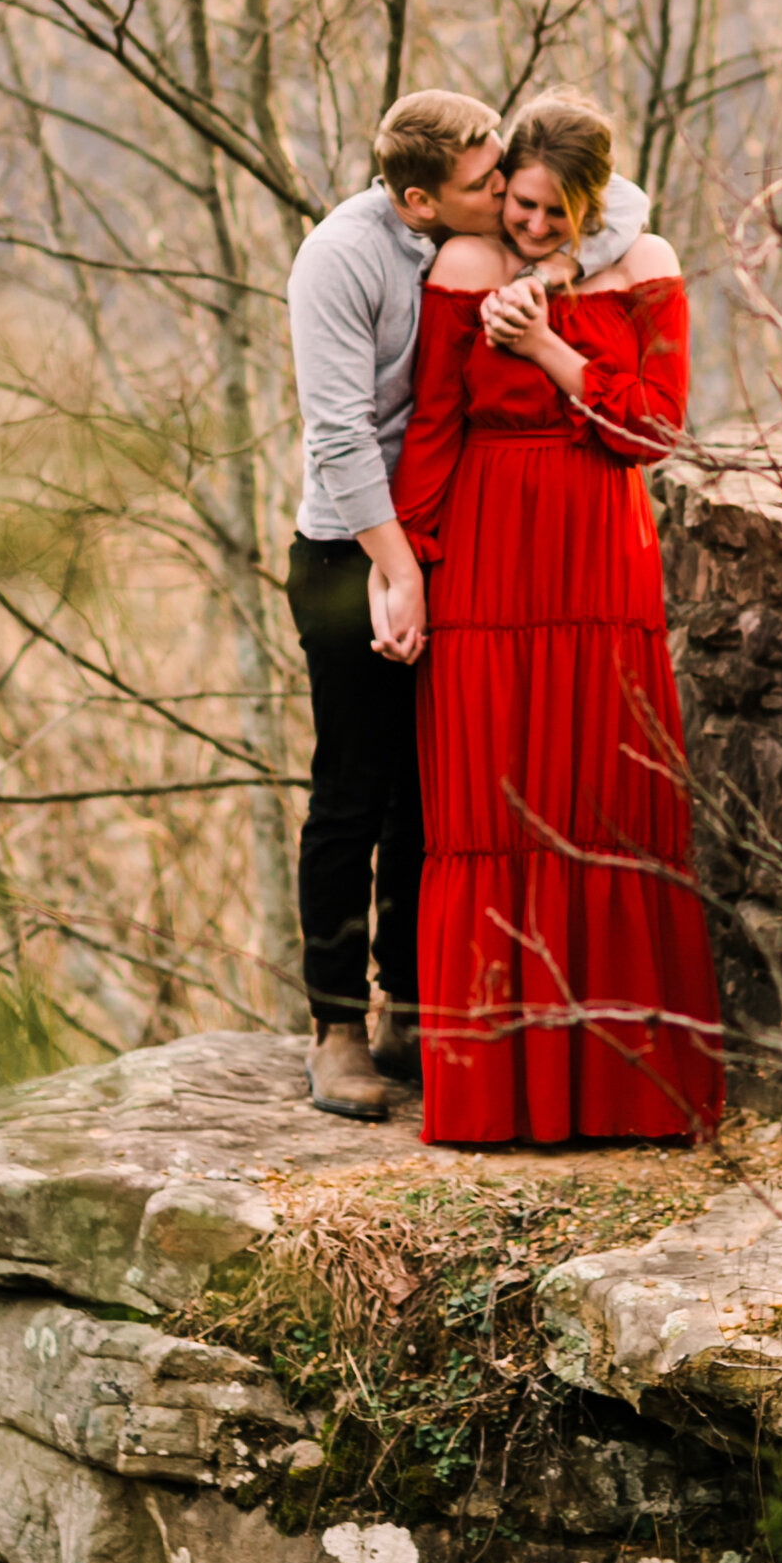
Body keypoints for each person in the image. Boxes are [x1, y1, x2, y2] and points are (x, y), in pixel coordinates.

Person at [285, 88, 654, 1119]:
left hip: (449, 538)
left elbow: (611, 197)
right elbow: (340, 437)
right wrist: (394, 569)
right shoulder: (340, 260)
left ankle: (412, 1002)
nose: (505, 196)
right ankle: (334, 1029)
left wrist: (563, 266)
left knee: (431, 790)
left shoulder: (493, 226)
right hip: (348, 549)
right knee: (352, 794)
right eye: (486, 185)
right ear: (418, 202)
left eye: (504, 173)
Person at [392, 91, 725, 1146]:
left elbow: (653, 430)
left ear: (593, 205)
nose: (528, 226)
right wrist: (405, 567)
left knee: (607, 796)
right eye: (517, 203)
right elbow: (434, 428)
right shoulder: (461, 267)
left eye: (551, 212)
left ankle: (627, 1091)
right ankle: (496, 1095)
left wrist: (546, 348)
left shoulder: (645, 268)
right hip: (489, 560)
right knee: (489, 808)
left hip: (600, 560)